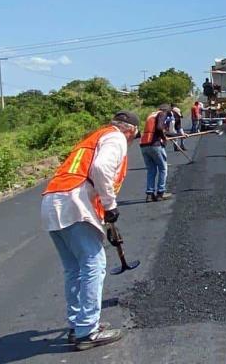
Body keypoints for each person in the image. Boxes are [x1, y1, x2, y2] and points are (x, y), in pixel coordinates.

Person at [41, 111, 139, 351]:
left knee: (73, 268)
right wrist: (110, 205)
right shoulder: (115, 138)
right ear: (130, 131)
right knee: (93, 264)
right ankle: (88, 331)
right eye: (133, 137)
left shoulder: (94, 137)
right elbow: (101, 167)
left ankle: (78, 324)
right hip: (73, 200)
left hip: (53, 200)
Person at [139, 104, 173, 202]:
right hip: (155, 145)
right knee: (163, 168)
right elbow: (159, 128)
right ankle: (160, 193)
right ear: (166, 110)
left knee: (151, 170)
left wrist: (179, 134)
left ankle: (150, 194)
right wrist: (164, 138)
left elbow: (154, 129)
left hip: (144, 145)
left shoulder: (151, 115)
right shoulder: (162, 114)